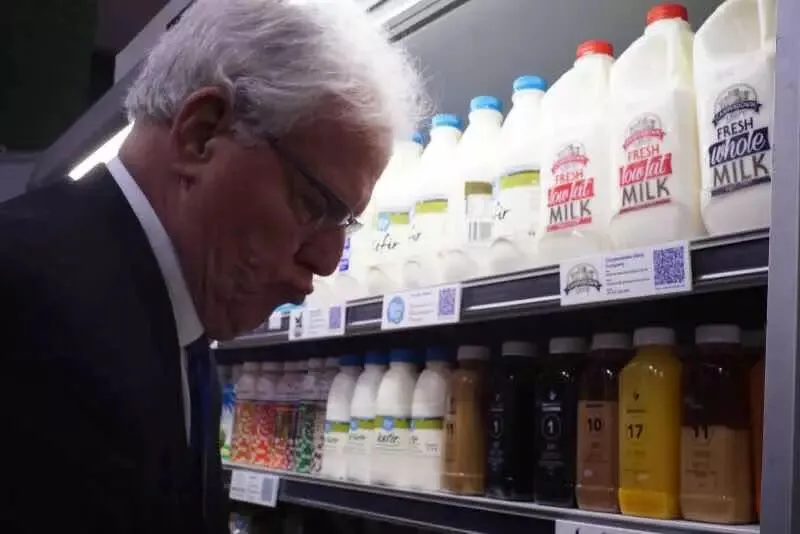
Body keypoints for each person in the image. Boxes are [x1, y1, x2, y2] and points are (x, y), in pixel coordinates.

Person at [0, 0, 426, 532]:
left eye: (346, 224)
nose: (326, 260)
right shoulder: (23, 301)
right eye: (314, 205)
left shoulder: (182, 326)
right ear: (200, 135)